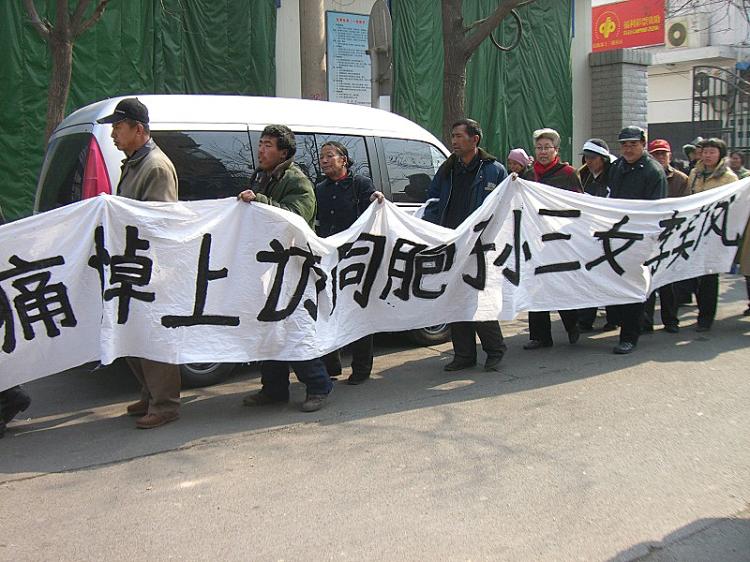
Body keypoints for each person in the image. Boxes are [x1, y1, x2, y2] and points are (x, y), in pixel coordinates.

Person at [97, 98, 181, 429]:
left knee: (153, 334)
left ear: (138, 129)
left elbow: (159, 224)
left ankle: (166, 403)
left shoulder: (155, 167)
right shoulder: (133, 163)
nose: (114, 135)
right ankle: (149, 393)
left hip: (151, 265)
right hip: (129, 262)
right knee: (130, 331)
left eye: (118, 127)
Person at [238, 125, 333, 411]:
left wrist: (262, 201)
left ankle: (319, 385)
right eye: (261, 144)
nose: (261, 150)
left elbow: (298, 217)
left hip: (294, 266)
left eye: (268, 145)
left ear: (284, 152)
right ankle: (274, 389)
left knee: (293, 326)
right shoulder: (262, 177)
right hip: (270, 264)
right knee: (270, 325)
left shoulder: (296, 180)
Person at [423, 118, 508, 372]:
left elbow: (503, 208)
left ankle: (494, 349)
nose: (454, 141)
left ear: (475, 139)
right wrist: (431, 230)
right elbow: (433, 199)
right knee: (456, 298)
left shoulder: (494, 170)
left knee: (479, 297)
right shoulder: (448, 168)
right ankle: (464, 354)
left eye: (459, 136)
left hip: (480, 245)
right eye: (453, 136)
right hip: (451, 242)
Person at [315, 141, 384, 385]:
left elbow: (373, 213)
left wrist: (377, 199)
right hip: (329, 258)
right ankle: (331, 365)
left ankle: (362, 368)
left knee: (357, 311)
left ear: (344, 159)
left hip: (356, 259)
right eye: (321, 156)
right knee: (329, 309)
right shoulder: (319, 189)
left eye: (329, 156)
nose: (324, 160)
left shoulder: (360, 185)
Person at [607, 126, 667, 354]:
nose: (628, 148)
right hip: (617, 236)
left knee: (634, 285)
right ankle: (633, 325)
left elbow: (657, 210)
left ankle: (629, 337)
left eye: (633, 144)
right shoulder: (617, 167)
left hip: (639, 237)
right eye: (624, 144)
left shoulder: (653, 171)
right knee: (621, 285)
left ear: (643, 143)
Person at [524, 128, 582, 350]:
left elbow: (579, 205)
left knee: (561, 284)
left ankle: (571, 324)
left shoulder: (568, 173)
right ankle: (540, 335)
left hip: (560, 238)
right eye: (539, 148)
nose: (543, 152)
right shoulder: (529, 175)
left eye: (547, 147)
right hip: (534, 237)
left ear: (556, 149)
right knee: (535, 283)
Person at [687, 138, 738, 331]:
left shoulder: (728, 177)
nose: (707, 155)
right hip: (695, 229)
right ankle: (701, 310)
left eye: (712, 152)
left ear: (720, 155)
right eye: (705, 151)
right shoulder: (695, 173)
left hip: (715, 231)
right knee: (696, 273)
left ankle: (706, 317)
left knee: (709, 275)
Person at [642, 139, 689, 334]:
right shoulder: (646, 175)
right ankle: (645, 322)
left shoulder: (681, 179)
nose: (660, 157)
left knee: (668, 282)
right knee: (648, 282)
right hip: (648, 235)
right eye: (656, 153)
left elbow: (686, 207)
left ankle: (671, 320)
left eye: (663, 153)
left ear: (670, 155)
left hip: (671, 235)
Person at [576, 138, 617, 332]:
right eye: (586, 157)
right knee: (589, 278)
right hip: (588, 234)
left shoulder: (614, 176)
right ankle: (585, 319)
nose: (589, 161)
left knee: (610, 277)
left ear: (603, 159)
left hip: (610, 235)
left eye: (593, 158)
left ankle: (613, 317)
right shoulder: (584, 175)